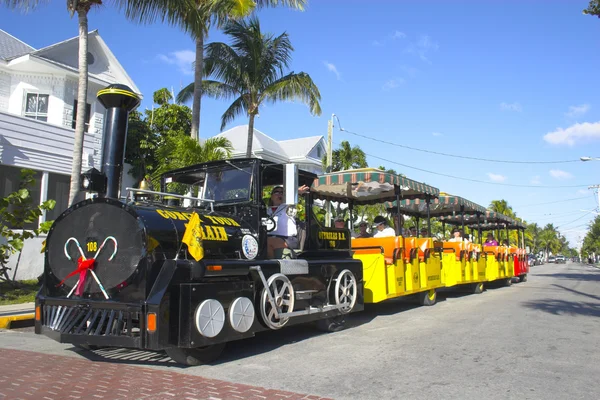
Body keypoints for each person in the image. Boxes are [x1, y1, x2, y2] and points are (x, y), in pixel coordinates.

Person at [267, 184, 310, 258]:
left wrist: (297, 192)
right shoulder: (267, 210)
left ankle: (271, 267)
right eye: (276, 192)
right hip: (272, 237)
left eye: (282, 192)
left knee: (269, 241)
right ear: (271, 196)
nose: (280, 194)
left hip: (288, 239)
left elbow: (293, 198)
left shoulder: (288, 206)